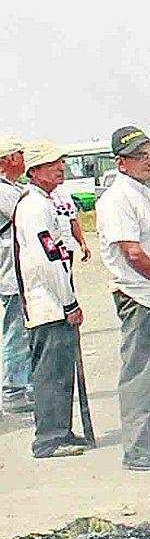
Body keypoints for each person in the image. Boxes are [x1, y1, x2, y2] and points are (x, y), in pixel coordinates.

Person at [96, 125, 150, 471]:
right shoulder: (117, 198)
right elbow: (131, 251)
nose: (148, 161)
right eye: (139, 156)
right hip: (138, 293)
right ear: (121, 162)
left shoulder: (143, 192)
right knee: (139, 374)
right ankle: (136, 448)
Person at [15, 141, 86, 458]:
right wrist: (68, 301)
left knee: (62, 370)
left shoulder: (48, 201)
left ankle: (62, 430)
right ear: (34, 171)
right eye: (51, 164)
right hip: (47, 302)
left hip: (56, 296)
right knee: (50, 373)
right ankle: (48, 437)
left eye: (60, 162)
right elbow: (48, 260)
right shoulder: (33, 207)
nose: (59, 168)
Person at [0, 135, 32, 415]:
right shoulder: (4, 192)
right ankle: (13, 389)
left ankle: (25, 384)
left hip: (17, 271)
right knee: (16, 331)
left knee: (24, 329)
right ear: (10, 159)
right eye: (20, 153)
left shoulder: (14, 188)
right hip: (10, 273)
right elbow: (25, 214)